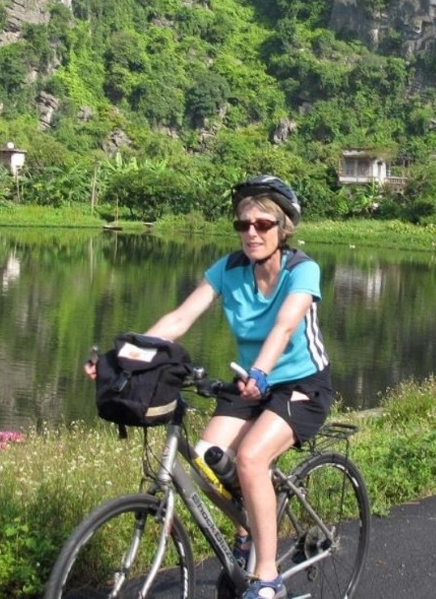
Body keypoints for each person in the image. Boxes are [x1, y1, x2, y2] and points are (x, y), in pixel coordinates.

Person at [88, 175, 332, 599]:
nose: (251, 233)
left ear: (283, 228)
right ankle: (246, 530)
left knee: (252, 459)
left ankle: (268, 576)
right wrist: (127, 358)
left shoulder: (302, 270)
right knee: (205, 459)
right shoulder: (228, 269)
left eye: (262, 224)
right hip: (249, 381)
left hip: (299, 385)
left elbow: (284, 325)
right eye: (243, 225)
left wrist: (260, 372)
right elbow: (180, 319)